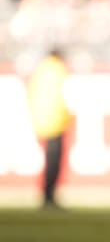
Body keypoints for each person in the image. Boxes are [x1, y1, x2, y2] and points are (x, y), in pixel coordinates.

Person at [27, 47, 72, 210]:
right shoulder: (58, 70)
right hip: (55, 121)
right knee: (54, 162)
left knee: (49, 161)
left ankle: (47, 195)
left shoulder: (40, 71)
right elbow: (64, 95)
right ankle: (49, 196)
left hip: (42, 120)